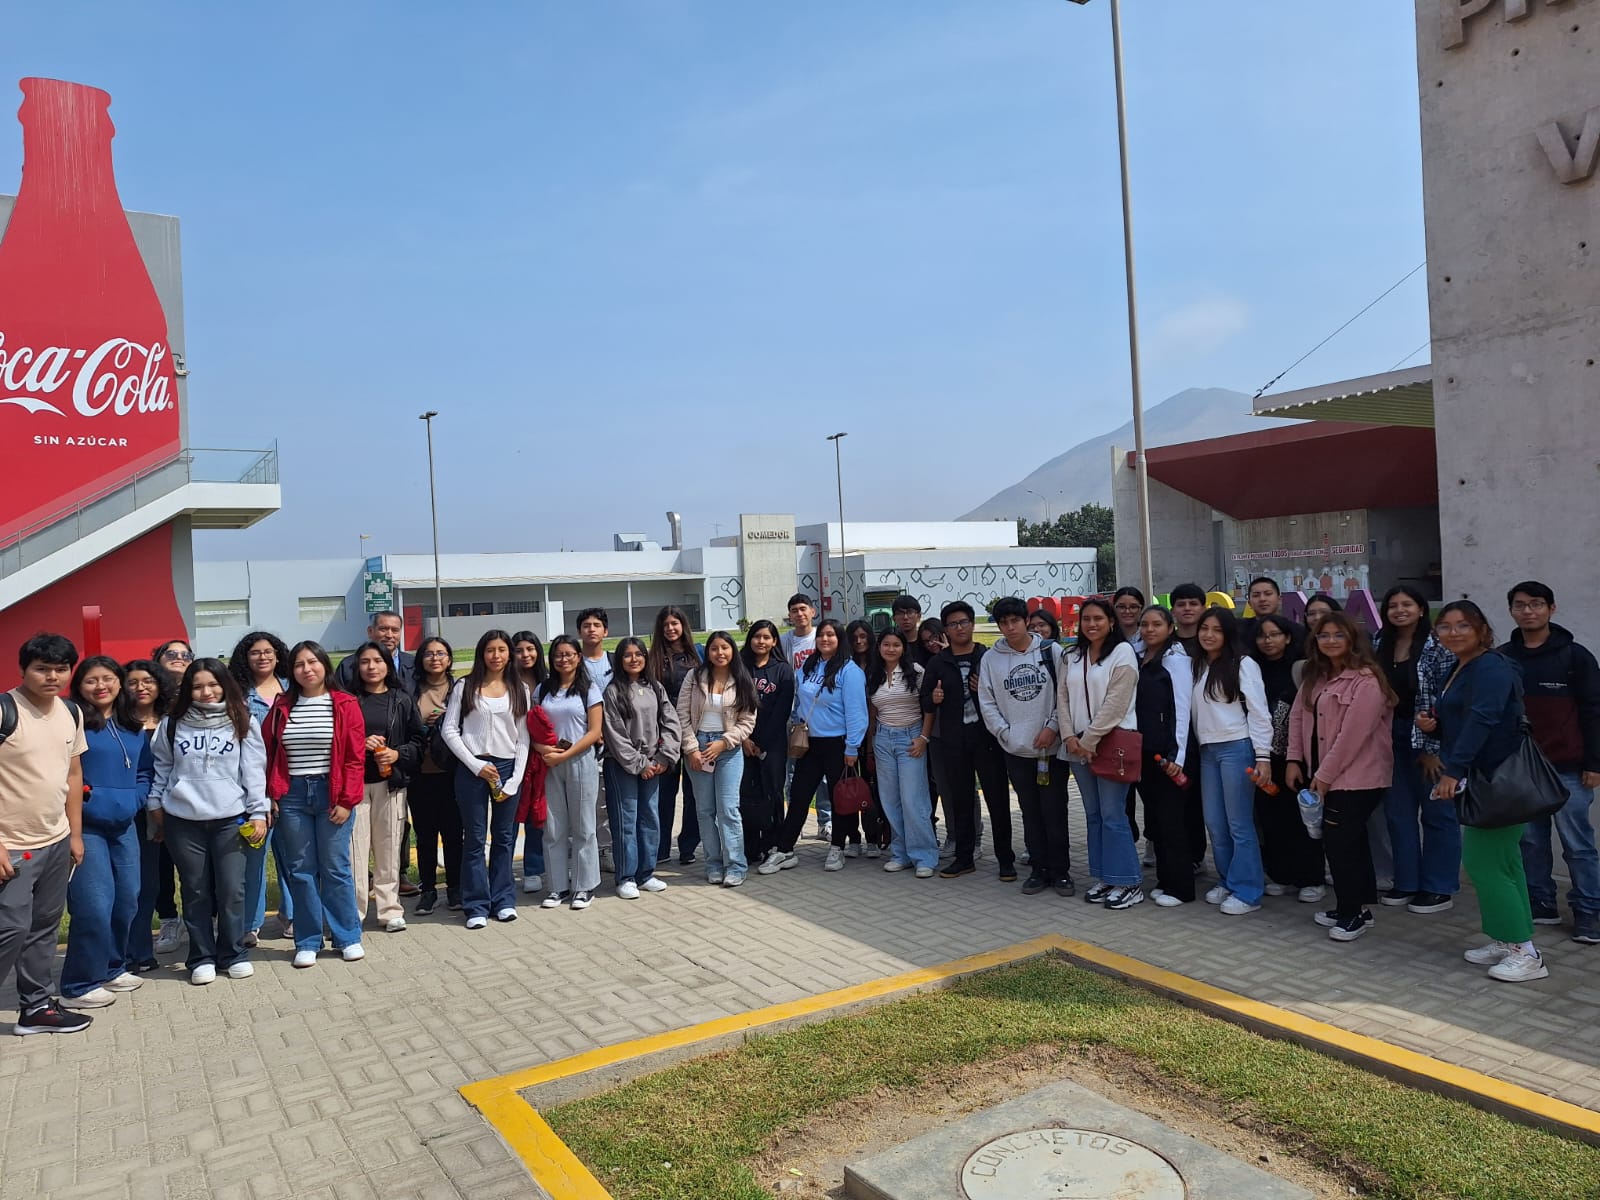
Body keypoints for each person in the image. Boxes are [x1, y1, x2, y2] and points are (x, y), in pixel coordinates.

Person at [1420, 601, 1548, 982]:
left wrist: (1453, 771)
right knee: (1505, 862)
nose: (1453, 633)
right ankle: (1508, 938)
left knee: (1483, 861)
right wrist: (1434, 726)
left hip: (1498, 778)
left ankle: (1526, 953)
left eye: (1463, 625)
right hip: (1484, 778)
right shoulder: (1462, 666)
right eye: (1445, 626)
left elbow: (1484, 719)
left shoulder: (1491, 666)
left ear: (1481, 629)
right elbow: (1465, 717)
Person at [149, 657, 268, 985]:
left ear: (225, 685)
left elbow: (253, 771)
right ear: (188, 688)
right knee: (196, 890)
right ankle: (201, 957)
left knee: (232, 890)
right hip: (183, 820)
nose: (206, 692)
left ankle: (233, 953)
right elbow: (162, 766)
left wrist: (258, 811)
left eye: (213, 684)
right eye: (198, 686)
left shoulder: (242, 720)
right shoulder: (172, 723)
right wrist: (155, 802)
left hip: (230, 819)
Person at [0, 634, 91, 1035]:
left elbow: (73, 774)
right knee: (11, 928)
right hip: (12, 845)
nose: (52, 676)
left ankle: (36, 1007)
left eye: (61, 669)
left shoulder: (71, 712)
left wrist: (75, 835)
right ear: (23, 669)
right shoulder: (5, 711)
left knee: (44, 926)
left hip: (56, 839)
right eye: (42, 669)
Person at [1287, 613, 1397, 941]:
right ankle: (1357, 906)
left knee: (1340, 844)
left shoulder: (1367, 681)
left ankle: (1352, 915)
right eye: (1324, 635)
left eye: (1338, 635)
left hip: (1359, 777)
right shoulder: (1316, 675)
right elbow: (1297, 717)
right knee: (1350, 841)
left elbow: (1352, 736)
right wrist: (1294, 759)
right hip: (1325, 773)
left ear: (1352, 639)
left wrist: (1324, 775)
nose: (1331, 641)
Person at [1500, 581, 1600, 942]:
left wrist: (1594, 763)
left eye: (1536, 604)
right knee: (1530, 841)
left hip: (1569, 768)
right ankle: (1541, 902)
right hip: (1522, 769)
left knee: (1578, 844)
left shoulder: (1576, 657)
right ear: (1511, 611)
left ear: (1551, 609)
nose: (1528, 611)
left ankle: (1589, 910)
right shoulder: (1503, 657)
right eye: (1520, 605)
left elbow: (1594, 711)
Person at [262, 641, 367, 968]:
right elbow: (267, 751)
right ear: (291, 671)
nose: (307, 669)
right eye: (299, 664)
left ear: (324, 665)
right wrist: (271, 794)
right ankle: (307, 940)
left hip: (331, 792)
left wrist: (347, 801)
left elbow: (354, 758)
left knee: (335, 867)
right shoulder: (282, 705)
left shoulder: (345, 703)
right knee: (301, 870)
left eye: (313, 662)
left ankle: (347, 936)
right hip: (292, 795)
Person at [59, 657, 150, 1009]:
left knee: (127, 899)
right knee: (94, 905)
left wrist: (134, 799)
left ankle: (112, 967)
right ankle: (79, 984)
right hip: (84, 827)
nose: (101, 686)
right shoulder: (72, 721)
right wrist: (87, 800)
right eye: (91, 680)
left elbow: (144, 772)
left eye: (108, 678)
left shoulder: (132, 725)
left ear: (119, 682)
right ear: (79, 686)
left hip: (124, 826)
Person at [1374, 585, 1460, 916]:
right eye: (1393, 605)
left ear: (1421, 609)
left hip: (1430, 737)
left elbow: (1447, 699)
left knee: (1437, 813)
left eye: (1407, 604)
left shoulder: (1438, 646)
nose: (1400, 610)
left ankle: (1439, 887)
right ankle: (1407, 881)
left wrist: (1433, 747)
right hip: (1390, 736)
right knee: (1398, 813)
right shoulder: (1379, 643)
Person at [978, 597, 1071, 897]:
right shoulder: (991, 659)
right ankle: (1038, 869)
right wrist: (1006, 734)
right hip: (1016, 750)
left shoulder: (1050, 650)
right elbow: (987, 702)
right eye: (1004, 623)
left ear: (1026, 621)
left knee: (1055, 812)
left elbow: (1065, 694)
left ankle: (1061, 872)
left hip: (1050, 749)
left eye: (1015, 621)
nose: (1010, 627)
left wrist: (1053, 727)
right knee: (1030, 813)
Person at [761, 619, 868, 875]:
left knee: (838, 798)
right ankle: (785, 849)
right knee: (798, 796)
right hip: (810, 744)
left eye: (831, 635)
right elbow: (800, 701)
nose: (825, 639)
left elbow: (857, 713)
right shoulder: (809, 666)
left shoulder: (849, 671)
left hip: (838, 744)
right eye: (821, 635)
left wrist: (852, 747)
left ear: (840, 639)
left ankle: (837, 846)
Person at [921, 602, 1017, 882]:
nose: (959, 628)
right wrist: (933, 699)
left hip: (987, 740)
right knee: (960, 800)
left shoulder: (988, 657)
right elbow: (924, 700)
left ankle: (1005, 859)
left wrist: (981, 691)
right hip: (953, 741)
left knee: (997, 800)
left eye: (963, 622)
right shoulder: (938, 662)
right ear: (946, 629)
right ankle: (964, 858)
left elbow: (1005, 695)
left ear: (973, 624)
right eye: (953, 624)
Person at [441, 630, 531, 926]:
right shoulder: (465, 686)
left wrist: (514, 779)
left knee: (504, 837)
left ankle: (503, 900)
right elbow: (449, 730)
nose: (496, 655)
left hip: (507, 767)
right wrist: (475, 764)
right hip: (473, 770)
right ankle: (476, 905)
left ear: (509, 654)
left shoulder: (519, 689)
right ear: (482, 653)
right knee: (475, 838)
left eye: (502, 650)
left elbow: (523, 738)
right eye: (490, 650)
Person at [1059, 598, 1142, 908]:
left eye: (1098, 618)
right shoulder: (1071, 655)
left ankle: (1129, 882)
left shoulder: (1122, 653)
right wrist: (1069, 736)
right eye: (1086, 619)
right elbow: (1062, 698)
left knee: (1112, 815)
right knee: (1093, 815)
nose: (1091, 624)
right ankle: (1105, 876)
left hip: (1111, 743)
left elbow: (1116, 704)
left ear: (1111, 622)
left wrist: (1090, 740)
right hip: (1077, 745)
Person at [1191, 607, 1273, 915]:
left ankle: (1248, 891)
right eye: (1204, 628)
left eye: (1217, 629)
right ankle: (1228, 880)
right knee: (1215, 822)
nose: (1209, 635)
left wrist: (1263, 756)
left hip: (1236, 748)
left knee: (1239, 823)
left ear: (1228, 634)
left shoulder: (1243, 664)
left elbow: (1260, 712)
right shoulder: (1198, 665)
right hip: (1207, 751)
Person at [350, 641, 428, 933]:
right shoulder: (347, 700)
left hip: (390, 784)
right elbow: (336, 743)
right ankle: (354, 912)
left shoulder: (401, 699)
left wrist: (397, 754)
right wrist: (360, 744)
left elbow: (418, 741)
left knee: (389, 847)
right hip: (356, 786)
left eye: (378, 661)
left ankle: (389, 909)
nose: (371, 667)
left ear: (388, 665)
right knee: (355, 853)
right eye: (365, 661)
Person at [1250, 614, 1326, 904]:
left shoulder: (1301, 669)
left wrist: (1297, 755)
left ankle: (1311, 877)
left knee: (1303, 817)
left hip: (1297, 755)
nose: (1267, 641)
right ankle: (1280, 874)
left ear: (1288, 637)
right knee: (1271, 817)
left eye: (1274, 634)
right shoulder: (1251, 668)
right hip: (1264, 756)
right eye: (1262, 635)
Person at [677, 631, 759, 887]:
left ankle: (735, 865)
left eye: (725, 647)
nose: (720, 653)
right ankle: (713, 863)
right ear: (708, 652)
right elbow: (681, 715)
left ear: (732, 650)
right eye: (714, 648)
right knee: (704, 810)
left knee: (728, 809)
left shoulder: (742, 678)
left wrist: (724, 742)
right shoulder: (694, 677)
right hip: (698, 748)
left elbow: (748, 721)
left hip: (728, 750)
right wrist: (692, 748)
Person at [227, 630, 292, 947]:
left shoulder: (292, 688)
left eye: (268, 651)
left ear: (278, 655)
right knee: (254, 858)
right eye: (255, 652)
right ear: (245, 657)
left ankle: (291, 915)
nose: (262, 657)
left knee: (292, 856)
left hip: (290, 783)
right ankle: (250, 924)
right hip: (251, 787)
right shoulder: (236, 693)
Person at [602, 637, 679, 899]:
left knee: (649, 818)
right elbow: (614, 732)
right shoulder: (613, 691)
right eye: (627, 655)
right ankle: (626, 877)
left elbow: (670, 722)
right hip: (623, 765)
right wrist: (639, 763)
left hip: (654, 764)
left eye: (639, 654)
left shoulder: (655, 687)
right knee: (626, 820)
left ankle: (646, 873)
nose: (634, 659)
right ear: (619, 660)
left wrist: (663, 758)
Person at [535, 635, 602, 910]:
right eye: (558, 655)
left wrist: (566, 754)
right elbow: (532, 728)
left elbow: (595, 731)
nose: (563, 659)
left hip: (580, 760)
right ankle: (557, 887)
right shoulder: (542, 690)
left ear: (578, 657)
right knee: (553, 827)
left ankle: (585, 886)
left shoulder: (589, 689)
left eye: (569, 654)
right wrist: (543, 750)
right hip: (549, 763)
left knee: (584, 826)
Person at [1134, 607, 1194, 906]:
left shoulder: (1177, 661)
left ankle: (1181, 888)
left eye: (1157, 624)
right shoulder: (1138, 656)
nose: (1150, 630)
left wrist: (1177, 756)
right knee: (1156, 820)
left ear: (1170, 628)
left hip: (1168, 755)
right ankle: (1164, 879)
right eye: (1145, 624)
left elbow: (1182, 711)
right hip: (1143, 751)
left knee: (1172, 822)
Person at [869, 628, 938, 877]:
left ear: (903, 648)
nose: (891, 649)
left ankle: (925, 856)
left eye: (896, 645)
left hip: (911, 737)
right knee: (890, 799)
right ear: (879, 647)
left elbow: (928, 707)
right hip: (883, 739)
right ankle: (901, 853)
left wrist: (923, 738)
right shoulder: (874, 674)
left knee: (913, 799)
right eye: (886, 644)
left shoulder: (916, 672)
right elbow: (873, 710)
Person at [410, 636, 463, 916]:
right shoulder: (411, 690)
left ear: (449, 659)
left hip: (453, 772)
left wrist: (445, 720)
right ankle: (428, 890)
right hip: (421, 773)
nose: (435, 658)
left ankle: (455, 887)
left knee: (454, 833)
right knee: (425, 835)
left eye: (441, 653)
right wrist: (423, 724)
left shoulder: (460, 688)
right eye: (429, 654)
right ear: (421, 659)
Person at [122, 660, 168, 973]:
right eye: (133, 682)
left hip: (174, 810)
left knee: (156, 884)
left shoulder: (172, 719)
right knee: (138, 884)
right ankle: (134, 952)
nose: (141, 687)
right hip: (133, 812)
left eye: (148, 681)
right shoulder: (117, 723)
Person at [648, 606, 703, 865]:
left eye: (675, 623)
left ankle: (688, 846)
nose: (671, 628)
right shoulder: (653, 658)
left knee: (694, 793)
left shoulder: (697, 654)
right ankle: (660, 848)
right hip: (664, 735)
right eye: (666, 624)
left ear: (683, 625)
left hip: (693, 732)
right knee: (664, 794)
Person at [149, 638, 193, 954]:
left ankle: (201, 920)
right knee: (160, 865)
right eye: (171, 653)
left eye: (185, 654)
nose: (179, 658)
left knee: (197, 867)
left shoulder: (200, 695)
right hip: (155, 795)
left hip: (193, 796)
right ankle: (168, 920)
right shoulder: (148, 699)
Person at [739, 621, 794, 868]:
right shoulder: (740, 667)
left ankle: (773, 844)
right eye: (756, 637)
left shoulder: (783, 670)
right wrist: (745, 739)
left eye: (766, 637)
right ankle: (750, 847)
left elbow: (782, 711)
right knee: (747, 793)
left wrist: (761, 743)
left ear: (774, 642)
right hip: (742, 741)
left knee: (773, 793)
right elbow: (732, 705)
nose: (761, 641)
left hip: (773, 744)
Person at [780, 594, 831, 841]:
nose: (799, 614)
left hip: (821, 712)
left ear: (813, 611)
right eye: (794, 610)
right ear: (789, 615)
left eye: (803, 609)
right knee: (793, 770)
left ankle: (826, 822)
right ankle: (795, 821)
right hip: (795, 713)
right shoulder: (785, 641)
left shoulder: (822, 637)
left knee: (823, 773)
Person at [575, 608, 617, 874]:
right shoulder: (572, 662)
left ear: (605, 631)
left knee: (605, 801)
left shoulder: (614, 661)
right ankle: (580, 853)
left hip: (614, 740)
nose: (591, 629)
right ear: (579, 631)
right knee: (582, 801)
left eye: (597, 625)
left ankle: (606, 850)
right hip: (583, 740)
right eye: (586, 625)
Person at [512, 631, 549, 895]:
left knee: (537, 811)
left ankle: (534, 869)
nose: (525, 655)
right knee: (512, 815)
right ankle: (502, 871)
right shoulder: (505, 683)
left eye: (530, 649)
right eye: (519, 650)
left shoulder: (547, 682)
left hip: (542, 758)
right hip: (513, 756)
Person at [844, 619, 883, 856]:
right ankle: (853, 839)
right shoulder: (843, 665)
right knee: (848, 787)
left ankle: (873, 839)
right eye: (854, 637)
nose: (859, 641)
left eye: (863, 636)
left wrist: (869, 742)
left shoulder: (879, 664)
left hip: (874, 735)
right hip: (847, 737)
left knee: (871, 789)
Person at [333, 611, 415, 691]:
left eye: (395, 630)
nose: (389, 635)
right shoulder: (348, 666)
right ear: (370, 631)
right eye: (383, 629)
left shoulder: (413, 664)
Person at [1239, 577, 1306, 653]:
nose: (1262, 599)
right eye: (1256, 595)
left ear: (1279, 599)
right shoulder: (1238, 630)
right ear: (1249, 603)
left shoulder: (1298, 631)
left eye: (1268, 594)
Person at [1112, 587, 1146, 652]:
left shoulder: (1149, 637)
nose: (1127, 611)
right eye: (1122, 607)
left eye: (1133, 607)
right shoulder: (1105, 638)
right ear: (1114, 608)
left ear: (1141, 609)